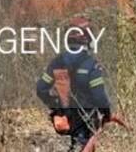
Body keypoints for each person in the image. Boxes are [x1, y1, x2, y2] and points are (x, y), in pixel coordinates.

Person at [36, 16, 113, 151]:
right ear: (87, 39)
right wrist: (106, 113)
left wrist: (56, 104)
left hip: (64, 119)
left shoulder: (57, 62)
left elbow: (41, 88)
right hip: (85, 122)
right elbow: (99, 97)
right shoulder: (91, 65)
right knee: (81, 146)